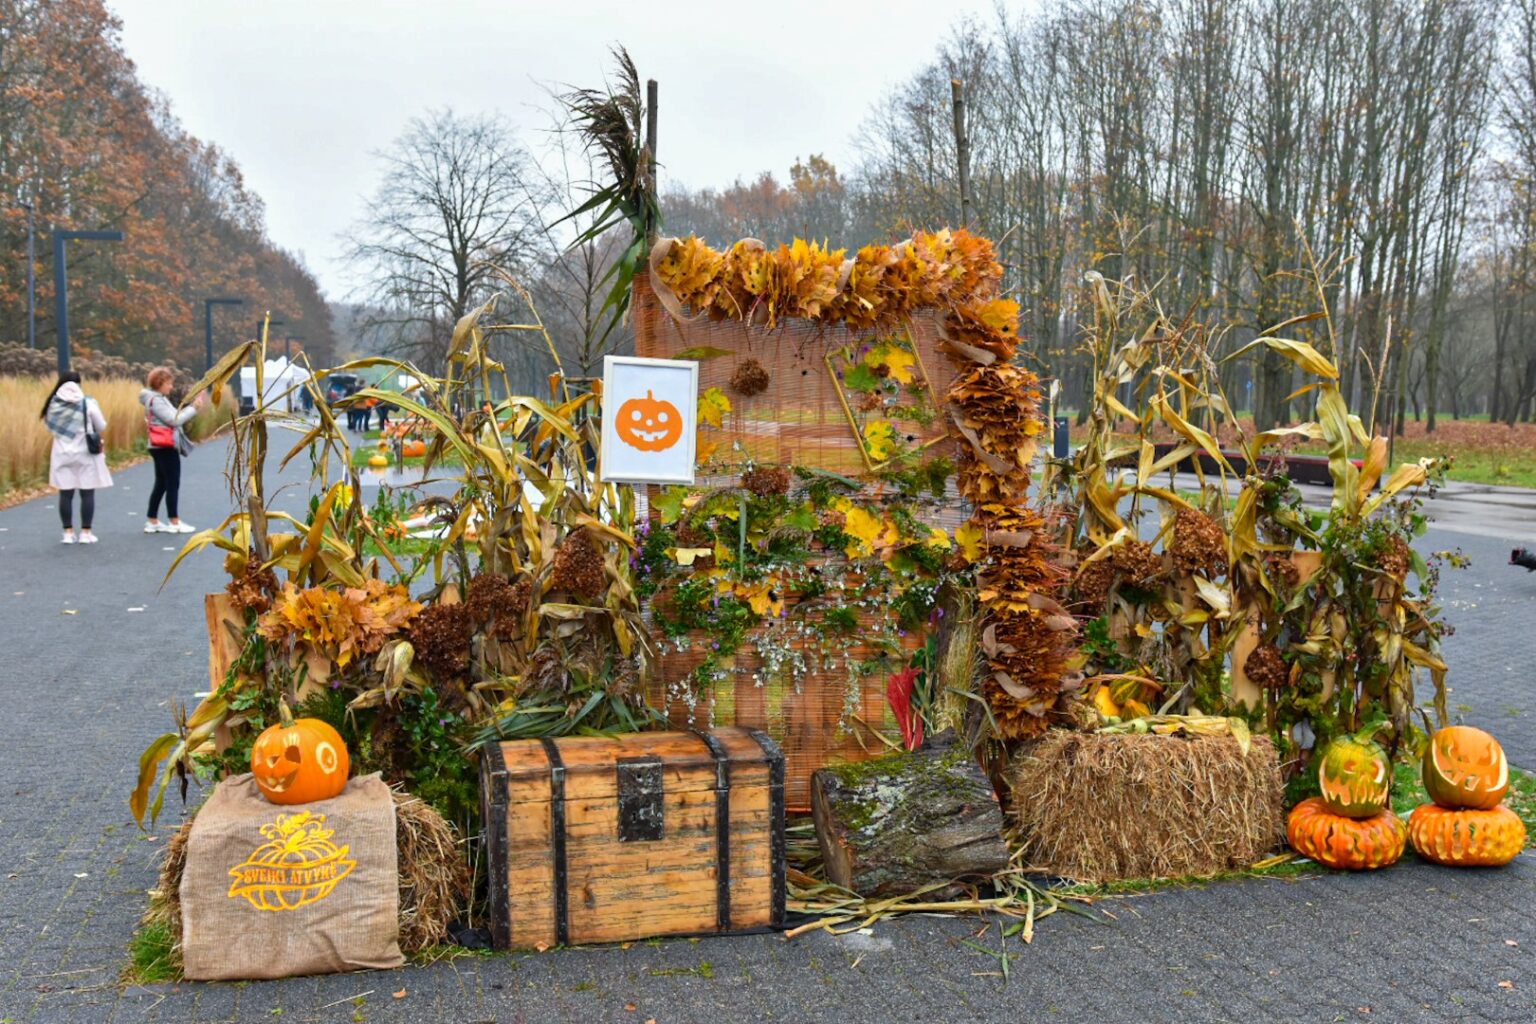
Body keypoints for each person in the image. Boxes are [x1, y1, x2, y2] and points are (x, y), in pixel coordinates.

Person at [41, 372, 112, 544]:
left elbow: (48, 426)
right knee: (87, 493)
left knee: (65, 494)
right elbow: (101, 425)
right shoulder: (88, 403)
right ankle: (86, 533)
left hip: (61, 454)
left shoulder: (53, 404)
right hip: (85, 454)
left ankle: (67, 533)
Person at [140, 367, 205, 534]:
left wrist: (191, 407)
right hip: (165, 445)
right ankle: (174, 521)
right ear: (160, 383)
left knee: (161, 483)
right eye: (169, 383)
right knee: (172, 483)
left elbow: (174, 416)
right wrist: (194, 408)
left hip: (158, 445)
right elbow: (174, 420)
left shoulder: (156, 399)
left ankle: (152, 519)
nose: (171, 387)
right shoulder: (157, 400)